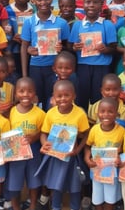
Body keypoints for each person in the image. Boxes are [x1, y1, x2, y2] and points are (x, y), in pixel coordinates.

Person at [36, 80, 90, 210]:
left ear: (74, 96)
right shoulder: (51, 114)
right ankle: (55, 207)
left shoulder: (80, 114)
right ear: (53, 97)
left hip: (71, 157)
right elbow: (43, 133)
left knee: (75, 186)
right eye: (59, 96)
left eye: (67, 95)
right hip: (55, 157)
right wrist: (45, 144)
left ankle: (75, 207)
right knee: (56, 184)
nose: (63, 99)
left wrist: (78, 149)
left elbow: (87, 133)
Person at [20, 0, 70, 111]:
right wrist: (25, 75)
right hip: (35, 67)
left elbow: (68, 48)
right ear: (33, 1)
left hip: (54, 68)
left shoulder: (62, 23)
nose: (43, 2)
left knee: (53, 99)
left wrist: (61, 49)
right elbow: (24, 47)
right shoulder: (29, 22)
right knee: (37, 99)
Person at [69, 0, 117, 112]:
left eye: (95, 2)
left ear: (101, 5)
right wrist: (74, 47)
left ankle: (97, 123)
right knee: (81, 97)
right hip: (83, 65)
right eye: (88, 2)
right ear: (83, 4)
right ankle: (83, 121)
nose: (91, 5)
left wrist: (105, 49)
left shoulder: (107, 25)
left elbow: (113, 48)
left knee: (98, 97)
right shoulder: (77, 25)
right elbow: (70, 46)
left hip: (102, 66)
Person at [8, 77, 45, 210]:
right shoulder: (12, 111)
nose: (25, 95)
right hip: (16, 152)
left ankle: (33, 205)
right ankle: (15, 206)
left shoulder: (40, 114)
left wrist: (34, 137)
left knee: (34, 180)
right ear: (16, 93)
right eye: (21, 91)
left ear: (35, 93)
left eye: (30, 91)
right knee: (14, 181)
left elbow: (44, 131)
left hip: (33, 150)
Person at [85, 97, 125, 210]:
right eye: (102, 111)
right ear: (97, 113)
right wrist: (87, 158)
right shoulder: (95, 130)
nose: (106, 115)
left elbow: (124, 150)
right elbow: (88, 146)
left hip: (112, 172)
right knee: (97, 198)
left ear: (117, 114)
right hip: (97, 170)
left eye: (110, 112)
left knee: (110, 199)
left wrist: (119, 158)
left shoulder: (121, 131)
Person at [5, 0, 34, 76]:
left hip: (33, 50)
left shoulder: (35, 9)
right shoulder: (7, 10)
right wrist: (12, 37)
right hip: (14, 51)